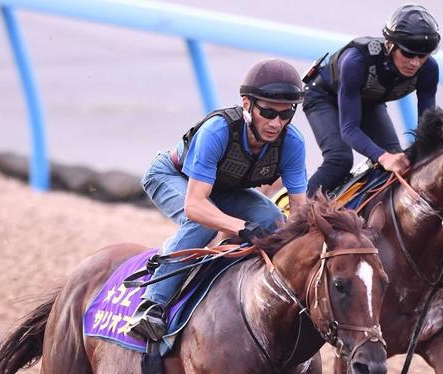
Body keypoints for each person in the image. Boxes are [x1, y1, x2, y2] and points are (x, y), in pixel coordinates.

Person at [128, 58, 308, 342]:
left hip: (225, 188)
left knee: (275, 222)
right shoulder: (217, 130)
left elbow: (300, 212)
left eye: (286, 115)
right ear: (247, 104)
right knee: (203, 224)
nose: (276, 123)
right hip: (174, 178)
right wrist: (241, 228)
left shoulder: (293, 143)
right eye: (269, 112)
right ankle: (151, 303)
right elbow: (196, 205)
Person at [303, 4, 440, 196]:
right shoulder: (356, 61)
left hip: (366, 101)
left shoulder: (429, 69)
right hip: (323, 97)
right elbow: (349, 130)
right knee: (340, 160)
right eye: (408, 54)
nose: (415, 63)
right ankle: (295, 216)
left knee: (399, 162)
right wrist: (383, 157)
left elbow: (426, 128)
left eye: (422, 56)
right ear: (390, 45)